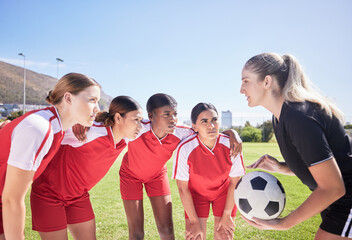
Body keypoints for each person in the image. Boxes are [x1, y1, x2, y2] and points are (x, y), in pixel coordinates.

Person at [240, 53, 352, 239]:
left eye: (245, 81)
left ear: (267, 82)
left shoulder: (299, 116)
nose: (241, 89)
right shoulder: (280, 118)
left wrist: (283, 223)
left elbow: (333, 187)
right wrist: (282, 167)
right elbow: (321, 166)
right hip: (336, 201)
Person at [0, 73, 101, 240]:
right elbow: (12, 199)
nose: (97, 108)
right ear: (69, 99)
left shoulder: (56, 126)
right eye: (92, 100)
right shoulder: (40, 128)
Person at [119, 93, 242, 240]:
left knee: (166, 229)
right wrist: (83, 126)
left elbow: (207, 132)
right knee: (137, 232)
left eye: (175, 114)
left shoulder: (181, 132)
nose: (173, 119)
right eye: (166, 114)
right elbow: (112, 125)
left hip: (157, 177)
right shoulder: (138, 128)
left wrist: (233, 133)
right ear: (151, 116)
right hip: (130, 177)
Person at [30, 96, 143, 240]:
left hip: (78, 197)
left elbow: (155, 125)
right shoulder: (88, 132)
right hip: (48, 194)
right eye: (136, 120)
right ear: (118, 118)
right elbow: (45, 125)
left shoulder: (126, 136)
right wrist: (76, 119)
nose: (140, 127)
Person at [172, 103, 245, 240]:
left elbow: (234, 183)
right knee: (196, 236)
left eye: (214, 120)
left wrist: (227, 214)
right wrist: (194, 222)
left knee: (224, 235)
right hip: (196, 195)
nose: (211, 125)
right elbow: (183, 188)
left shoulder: (231, 145)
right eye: (204, 121)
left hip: (224, 193)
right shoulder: (185, 148)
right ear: (194, 126)